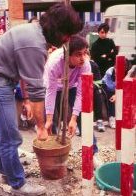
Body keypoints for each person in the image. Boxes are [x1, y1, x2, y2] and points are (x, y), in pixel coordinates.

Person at [0, 3, 83, 195]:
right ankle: (18, 184)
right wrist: (41, 127)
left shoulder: (33, 31)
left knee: (4, 133)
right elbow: (37, 89)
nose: (67, 40)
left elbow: (24, 73)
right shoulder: (35, 44)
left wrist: (25, 99)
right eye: (67, 34)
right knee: (11, 137)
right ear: (58, 29)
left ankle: (7, 172)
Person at [44, 35, 102, 168]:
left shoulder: (85, 64)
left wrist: (74, 117)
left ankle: (93, 153)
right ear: (68, 55)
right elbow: (51, 91)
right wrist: (48, 118)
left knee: (83, 116)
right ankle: (54, 153)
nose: (83, 58)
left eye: (85, 53)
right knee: (50, 121)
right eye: (78, 54)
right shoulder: (54, 63)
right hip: (55, 86)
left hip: (72, 86)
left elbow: (81, 92)